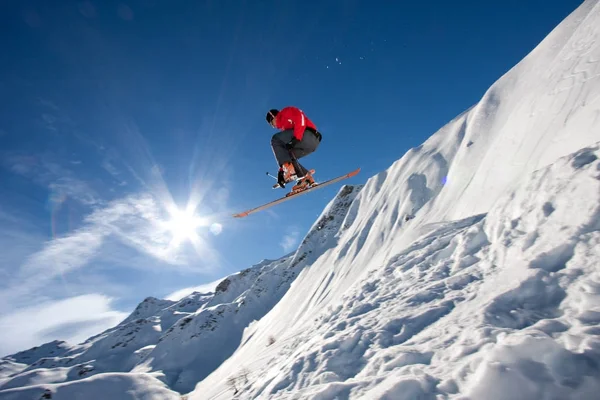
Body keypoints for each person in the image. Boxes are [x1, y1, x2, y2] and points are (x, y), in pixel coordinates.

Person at [266, 106, 322, 191]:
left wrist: (297, 138)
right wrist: (281, 170)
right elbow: (283, 154)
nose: (273, 126)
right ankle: (305, 178)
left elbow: (300, 117)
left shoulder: (285, 112)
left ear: (273, 117)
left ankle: (289, 170)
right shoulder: (285, 128)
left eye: (271, 124)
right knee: (288, 155)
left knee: (275, 139)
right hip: (309, 145)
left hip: (309, 135)